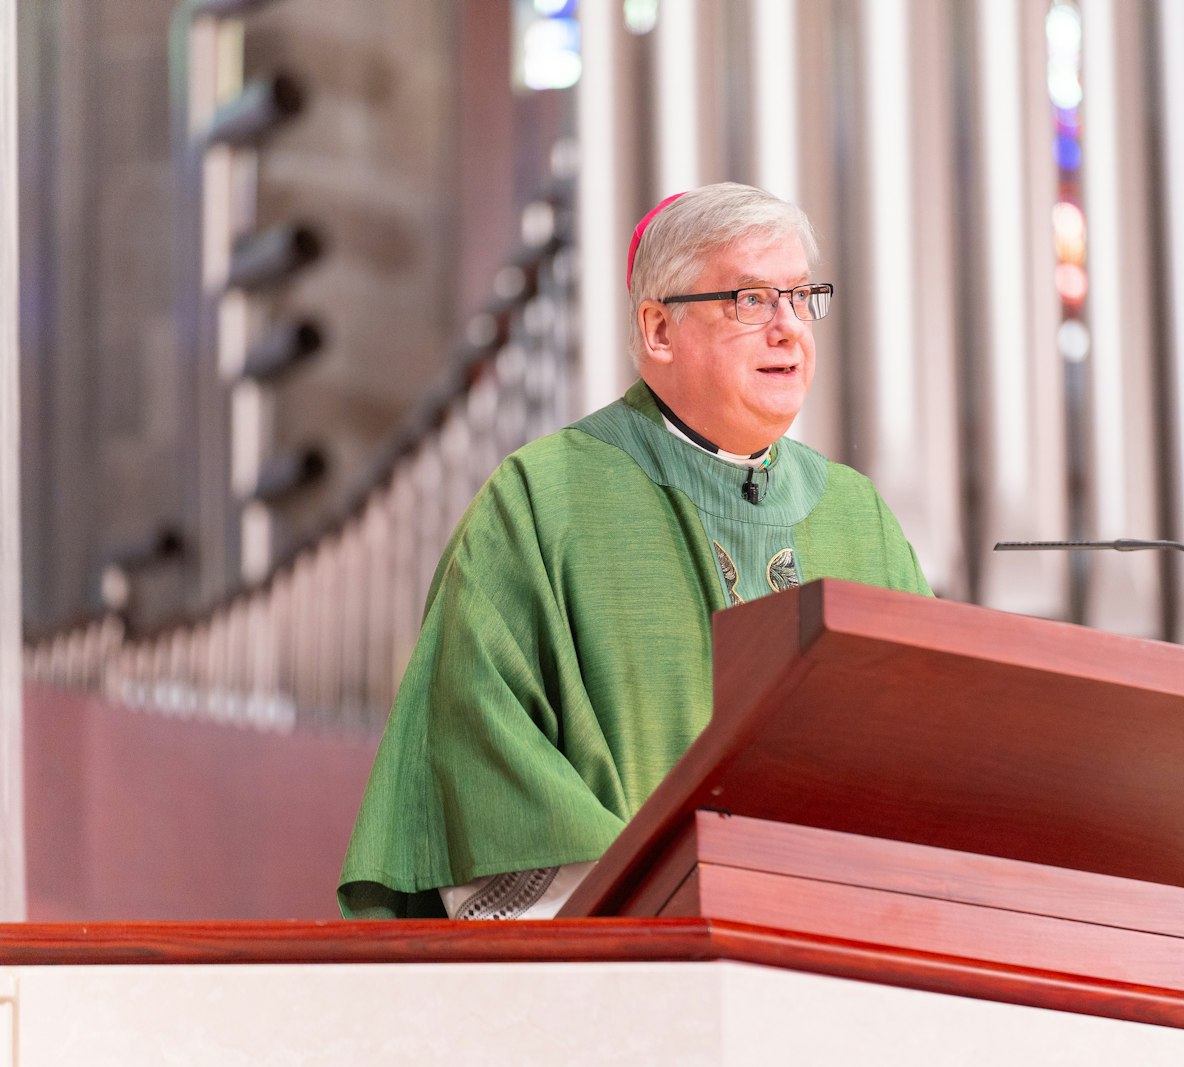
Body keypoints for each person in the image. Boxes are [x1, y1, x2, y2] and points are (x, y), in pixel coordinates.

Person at [338, 182, 931, 919]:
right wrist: (677, 913)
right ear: (658, 329)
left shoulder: (858, 516)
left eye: (802, 296)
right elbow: (480, 759)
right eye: (751, 299)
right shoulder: (543, 501)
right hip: (642, 971)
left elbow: (929, 752)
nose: (788, 327)